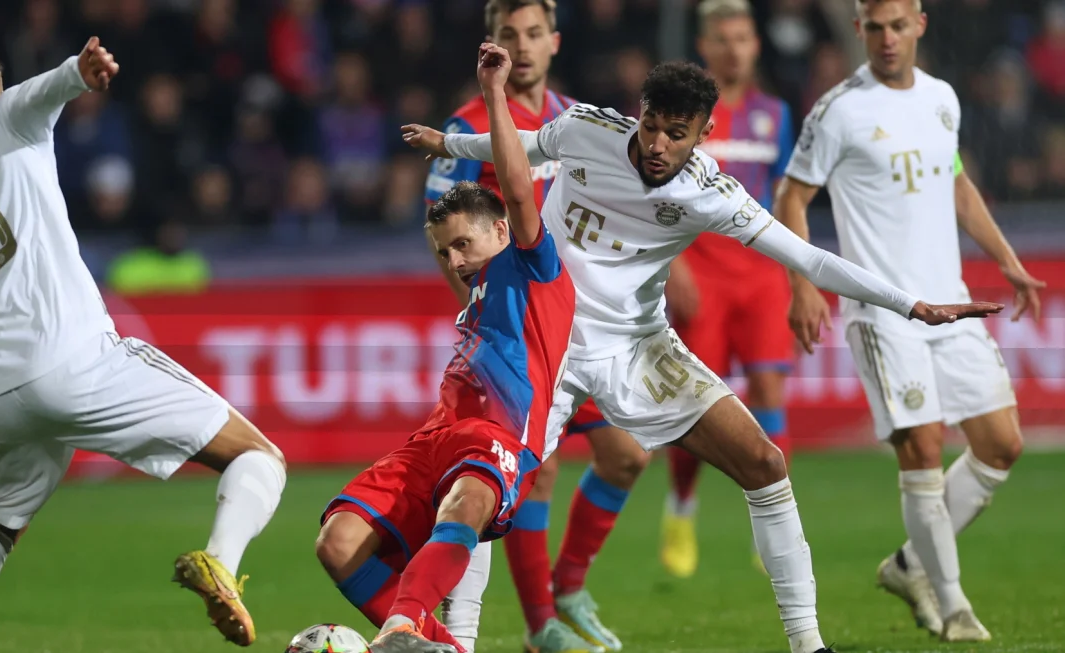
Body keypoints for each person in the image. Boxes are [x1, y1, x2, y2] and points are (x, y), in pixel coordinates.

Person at [403, 59, 1004, 653]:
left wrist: (910, 305)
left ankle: (809, 645)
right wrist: (448, 141)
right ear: (638, 116)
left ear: (704, 134)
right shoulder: (589, 130)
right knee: (486, 487)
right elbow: (525, 145)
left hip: (637, 347)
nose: (658, 144)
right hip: (543, 338)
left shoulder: (711, 193)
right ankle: (460, 642)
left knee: (765, 464)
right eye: (651, 125)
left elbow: (809, 260)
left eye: (677, 132)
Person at [0, 36, 286, 653]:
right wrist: (82, 72)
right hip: (76, 360)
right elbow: (52, 86)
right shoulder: (2, 118)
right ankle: (220, 559)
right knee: (258, 458)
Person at [772, 0, 1043, 642]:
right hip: (881, 310)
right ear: (860, 28)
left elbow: (955, 184)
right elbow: (792, 196)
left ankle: (909, 564)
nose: (887, 39)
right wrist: (803, 282)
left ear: (920, 25)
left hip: (951, 301)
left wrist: (1007, 261)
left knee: (1001, 444)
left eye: (898, 26)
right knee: (922, 448)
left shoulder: (942, 99)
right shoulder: (839, 109)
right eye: (874, 27)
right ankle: (953, 608)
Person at [316, 43, 576, 653]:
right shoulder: (476, 302)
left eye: (463, 244)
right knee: (338, 541)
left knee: (463, 506)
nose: (455, 261)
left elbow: (516, 187)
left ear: (502, 232)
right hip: (434, 438)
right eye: (444, 252)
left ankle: (402, 626)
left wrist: (492, 94)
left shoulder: (532, 268)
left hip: (501, 437)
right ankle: (439, 646)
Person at [424, 1, 639, 650]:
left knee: (627, 454)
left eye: (532, 33)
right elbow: (443, 233)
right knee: (534, 471)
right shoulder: (466, 126)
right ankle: (541, 623)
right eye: (507, 35)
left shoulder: (575, 121)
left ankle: (568, 584)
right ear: (490, 44)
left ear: (554, 42)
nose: (521, 46)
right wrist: (483, 318)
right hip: (519, 327)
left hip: (582, 318)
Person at [661, 0, 798, 579]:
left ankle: (771, 528)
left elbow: (788, 196)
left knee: (769, 392)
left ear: (755, 46)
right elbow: (656, 197)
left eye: (744, 38)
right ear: (706, 48)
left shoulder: (775, 113)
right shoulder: (680, 116)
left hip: (761, 275)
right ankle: (681, 509)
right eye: (724, 40)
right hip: (702, 273)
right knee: (697, 408)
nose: (735, 49)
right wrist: (673, 267)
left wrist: (797, 276)